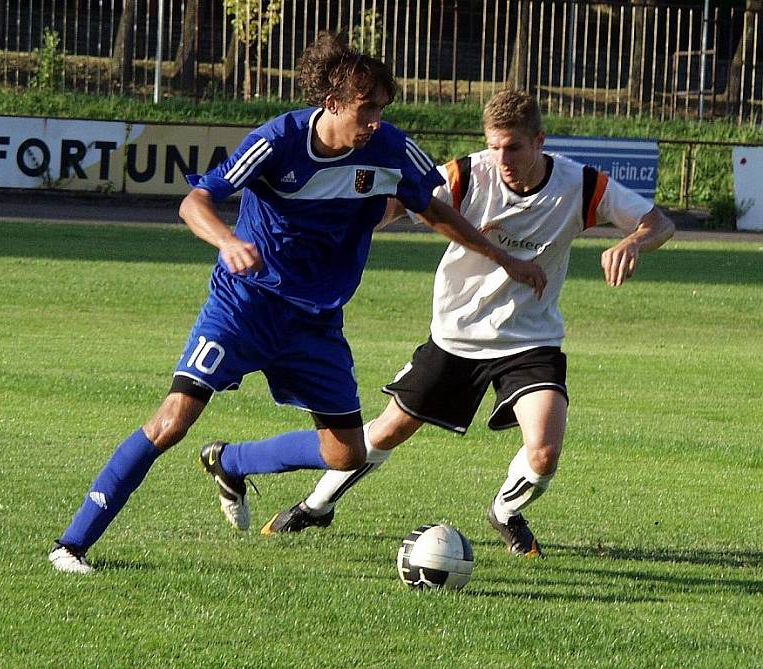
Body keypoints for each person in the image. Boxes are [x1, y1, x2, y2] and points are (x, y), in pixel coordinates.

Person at [48, 36, 546, 573]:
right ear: (331, 102)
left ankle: (231, 461)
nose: (377, 119)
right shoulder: (279, 141)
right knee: (172, 420)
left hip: (316, 323)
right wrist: (228, 241)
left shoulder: (393, 148)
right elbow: (196, 201)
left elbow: (432, 209)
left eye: (381, 107)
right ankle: (71, 545)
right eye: (366, 107)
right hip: (245, 306)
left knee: (347, 455)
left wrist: (500, 256)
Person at [262, 89, 675, 557]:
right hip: (456, 335)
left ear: (539, 141)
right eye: (494, 145)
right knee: (385, 432)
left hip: (531, 339)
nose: (501, 157)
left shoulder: (580, 185)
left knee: (544, 453)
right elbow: (402, 204)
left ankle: (505, 512)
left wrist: (635, 243)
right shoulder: (466, 173)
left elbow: (659, 222)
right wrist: (351, 219)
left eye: (513, 147)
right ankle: (317, 506)